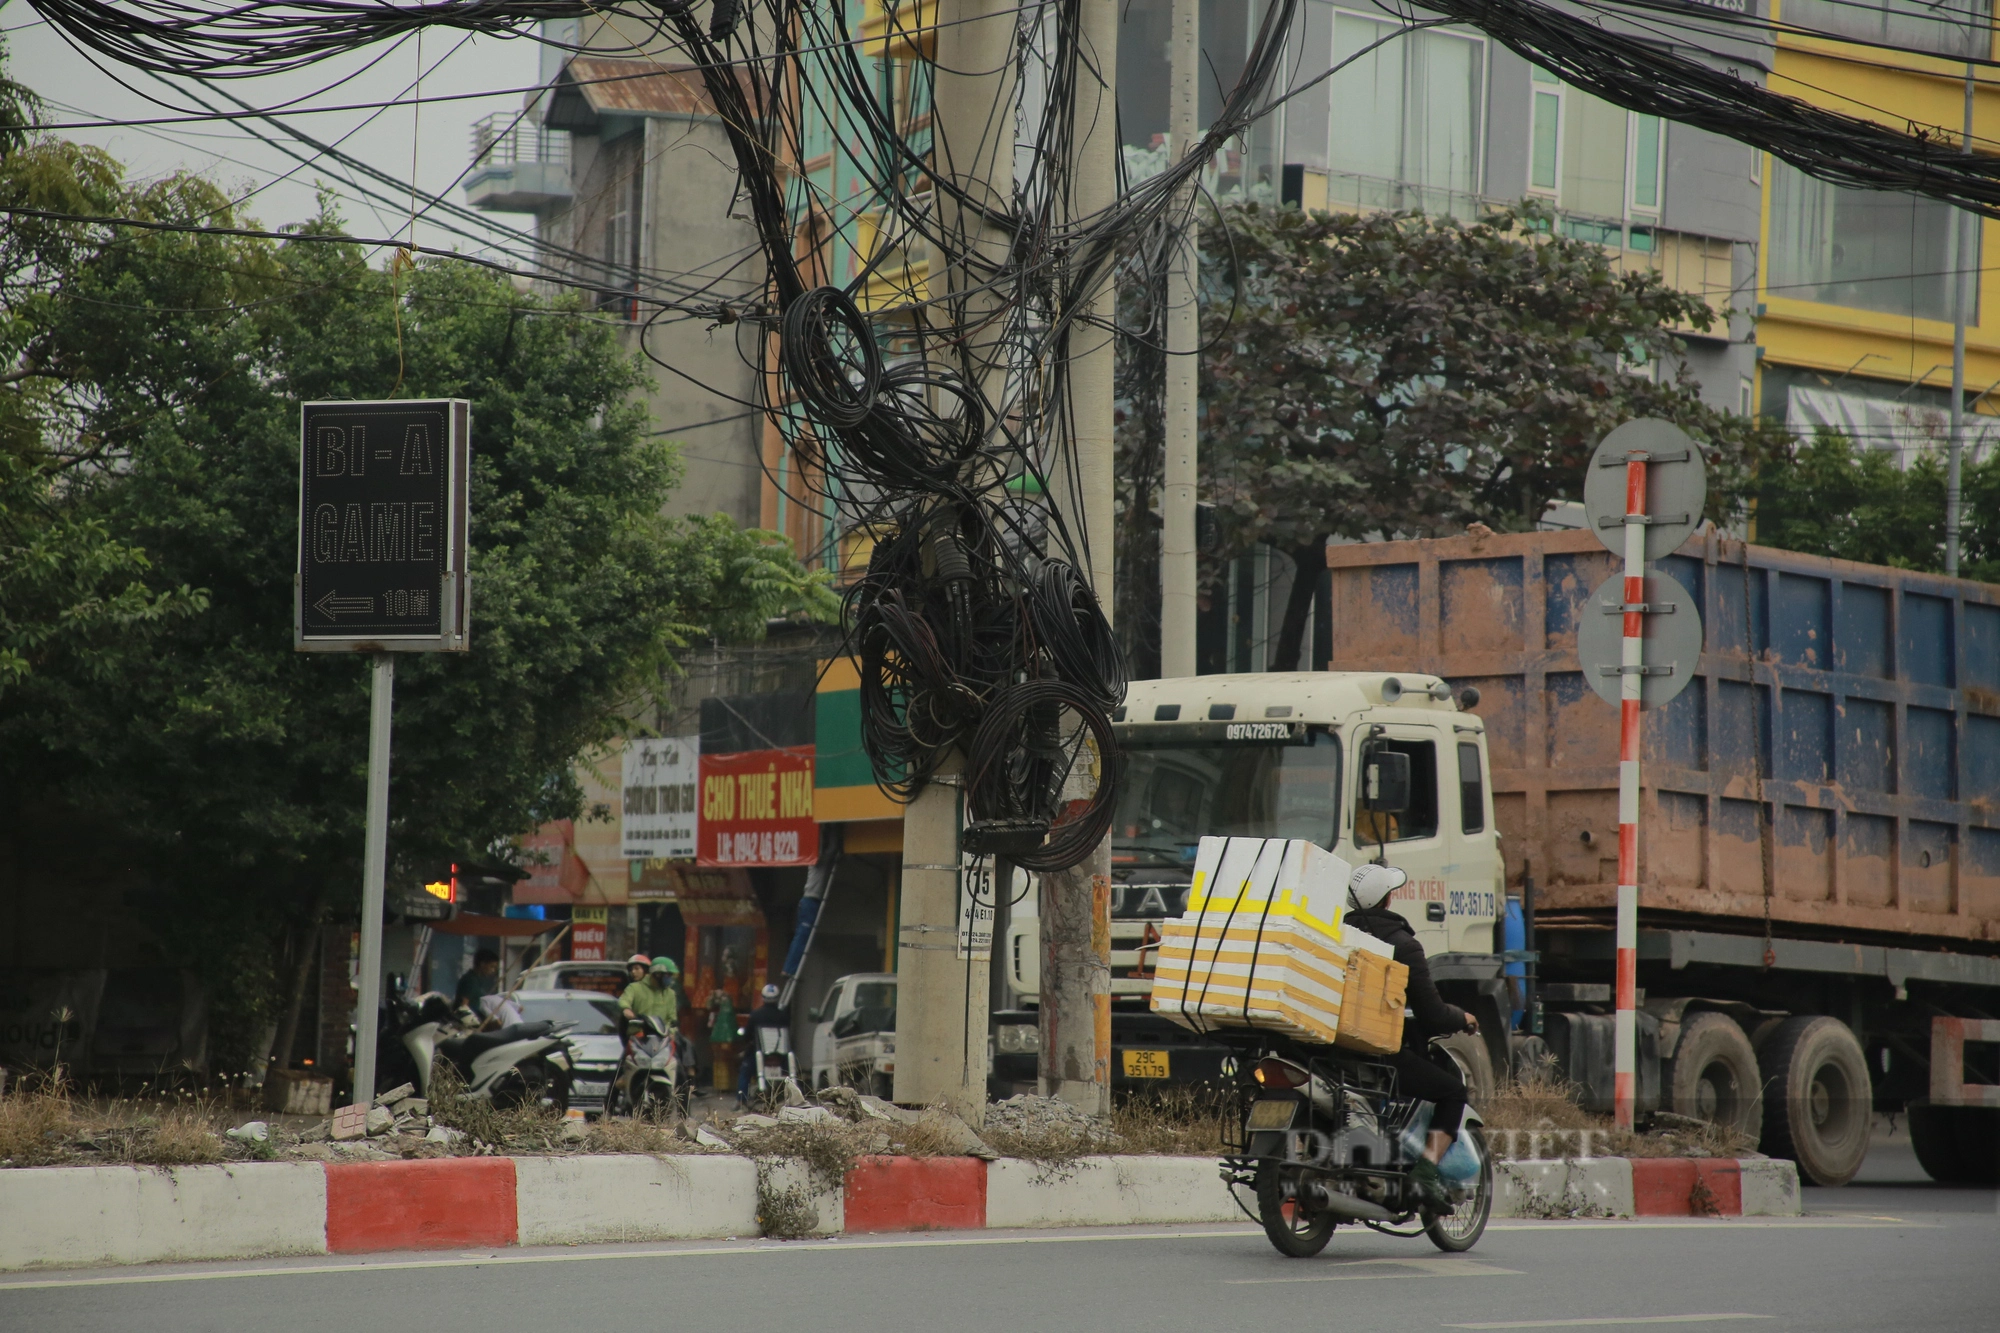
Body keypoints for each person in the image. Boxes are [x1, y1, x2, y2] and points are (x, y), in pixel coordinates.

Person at [1343, 862, 1481, 1211]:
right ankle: (1424, 1171)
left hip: (1334, 1050)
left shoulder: (1335, 937)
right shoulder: (1403, 946)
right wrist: (1461, 1017)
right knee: (1453, 1091)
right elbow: (1432, 1015)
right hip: (1380, 1052)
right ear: (1388, 901)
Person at [738, 983, 789, 1106]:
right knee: (789, 1070)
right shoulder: (784, 1016)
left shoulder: (756, 1015)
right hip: (780, 1055)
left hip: (758, 1054)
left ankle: (741, 1100)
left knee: (745, 1071)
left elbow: (747, 1035)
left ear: (763, 997)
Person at [454, 949, 500, 1013]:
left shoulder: (477, 980)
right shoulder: (471, 980)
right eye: (492, 966)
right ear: (482, 964)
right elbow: (463, 1005)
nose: (493, 971)